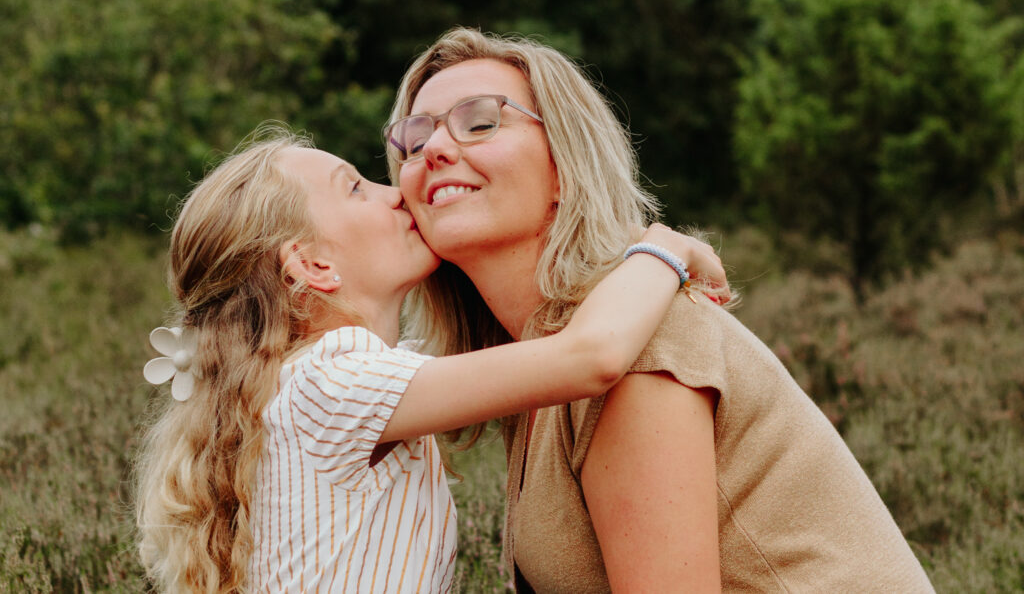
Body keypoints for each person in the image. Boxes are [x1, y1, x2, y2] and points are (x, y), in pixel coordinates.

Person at [387, 27, 935, 592]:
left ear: (564, 166)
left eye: (480, 122)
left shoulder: (639, 339)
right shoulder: (546, 355)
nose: (434, 150)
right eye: (412, 139)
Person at [133, 129, 726, 592]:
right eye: (357, 188)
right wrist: (663, 247)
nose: (395, 193)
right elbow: (591, 356)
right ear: (312, 265)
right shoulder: (331, 379)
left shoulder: (313, 387)